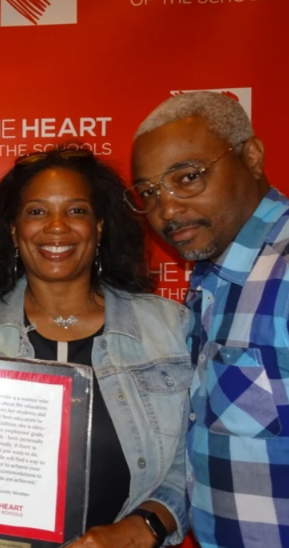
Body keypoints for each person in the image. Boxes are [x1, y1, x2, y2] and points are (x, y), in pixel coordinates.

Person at [0, 149, 192, 548]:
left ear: (99, 226)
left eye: (76, 211)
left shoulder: (166, 327)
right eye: (37, 212)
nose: (56, 227)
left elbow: (192, 463)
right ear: (13, 228)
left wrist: (140, 529)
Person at [130, 91, 288, 548]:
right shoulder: (212, 280)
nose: (167, 209)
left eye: (188, 177)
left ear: (252, 157)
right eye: (149, 193)